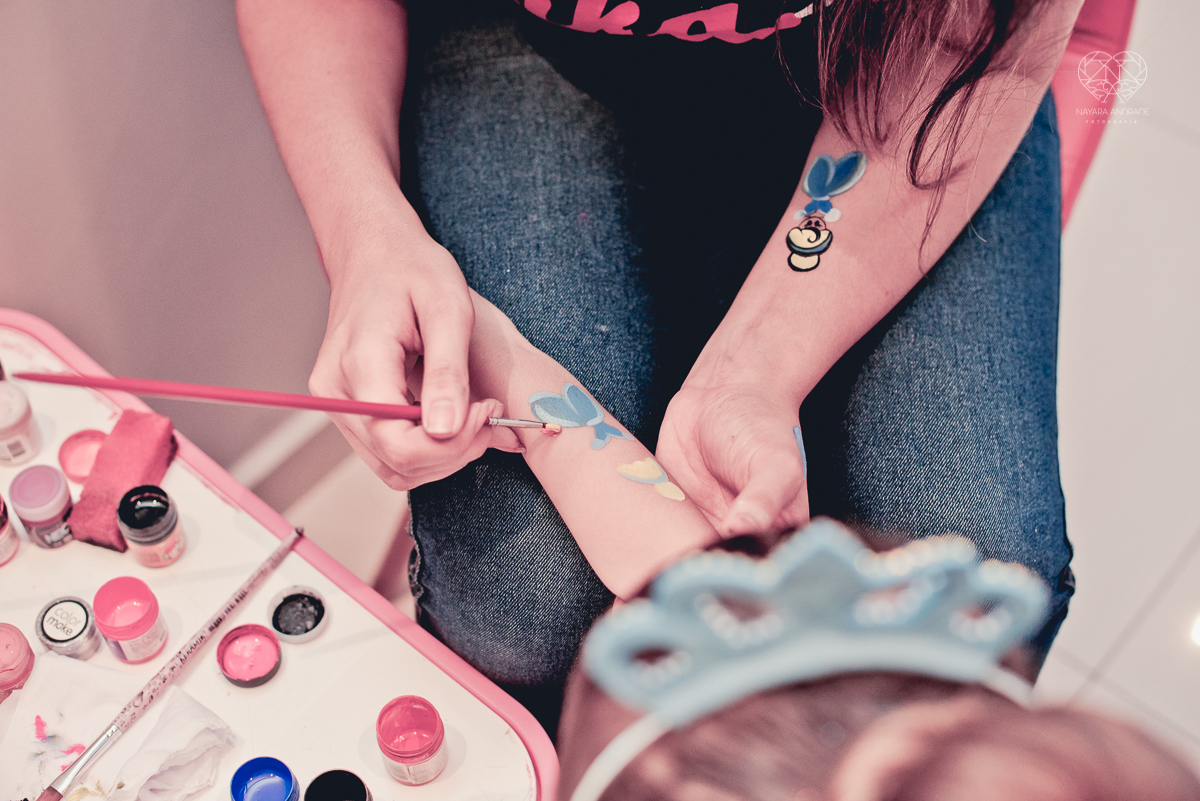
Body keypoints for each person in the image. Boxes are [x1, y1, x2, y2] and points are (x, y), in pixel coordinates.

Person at [237, 0, 1081, 732]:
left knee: (978, 590)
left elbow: (710, 599)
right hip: (527, 47)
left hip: (913, 58)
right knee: (530, 606)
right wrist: (367, 238)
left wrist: (755, 367)